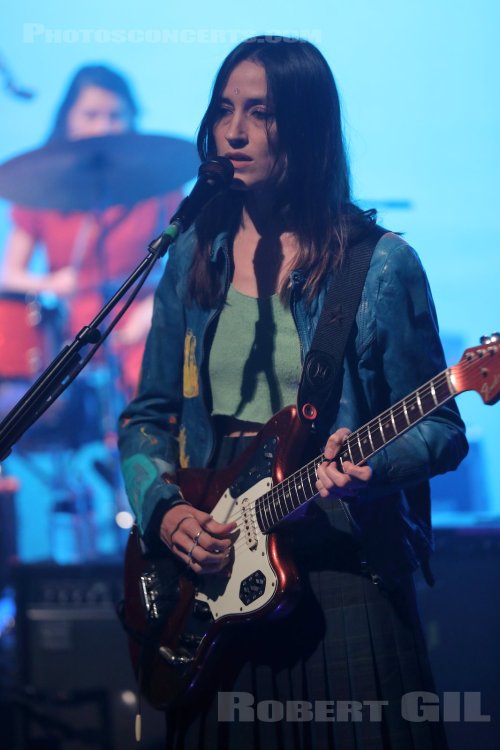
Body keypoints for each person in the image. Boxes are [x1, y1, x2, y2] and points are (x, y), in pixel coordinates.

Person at [118, 36, 468, 750]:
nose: (234, 131)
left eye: (261, 113)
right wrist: (166, 513)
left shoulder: (380, 267)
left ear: (305, 127)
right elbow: (147, 419)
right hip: (218, 590)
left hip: (343, 581)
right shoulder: (191, 254)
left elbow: (443, 429)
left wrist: (373, 466)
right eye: (224, 110)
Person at [0, 64, 183, 400]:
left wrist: (158, 305)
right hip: (69, 339)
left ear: (132, 119)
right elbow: (9, 275)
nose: (104, 126)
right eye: (91, 114)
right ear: (68, 118)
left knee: (159, 375)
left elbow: (194, 266)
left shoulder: (160, 190)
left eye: (115, 115)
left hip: (144, 328)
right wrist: (50, 284)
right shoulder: (41, 193)